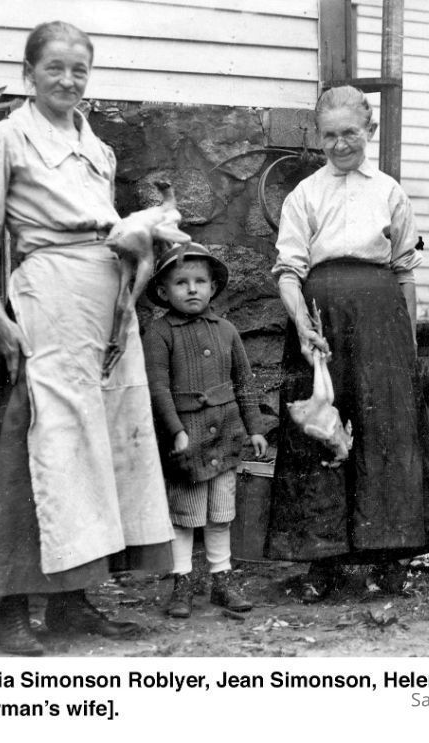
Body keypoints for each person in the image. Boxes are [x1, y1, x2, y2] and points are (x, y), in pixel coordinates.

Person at [0, 21, 175, 655]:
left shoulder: (97, 148)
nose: (68, 81)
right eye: (55, 68)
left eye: (79, 70)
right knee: (38, 447)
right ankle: (10, 613)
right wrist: (0, 319)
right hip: (46, 303)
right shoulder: (3, 138)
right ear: (29, 72)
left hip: (106, 307)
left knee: (98, 450)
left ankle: (73, 604)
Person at [266, 85, 429, 603]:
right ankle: (320, 562)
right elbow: (288, 271)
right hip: (320, 322)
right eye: (330, 135)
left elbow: (405, 272)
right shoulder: (304, 195)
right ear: (317, 137)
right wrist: (303, 324)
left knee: (385, 426)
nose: (341, 144)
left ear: (369, 130)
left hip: (380, 320)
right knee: (318, 428)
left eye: (350, 132)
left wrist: (407, 342)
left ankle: (389, 558)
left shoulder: (390, 192)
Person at [142, 244, 268, 618]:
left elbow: (244, 382)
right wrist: (176, 432)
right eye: (181, 283)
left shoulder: (226, 331)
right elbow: (157, 389)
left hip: (225, 437)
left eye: (200, 281)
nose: (192, 289)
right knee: (185, 514)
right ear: (164, 291)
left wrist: (255, 428)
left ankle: (221, 580)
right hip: (187, 439)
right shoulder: (159, 333)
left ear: (213, 288)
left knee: (220, 514)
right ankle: (182, 582)